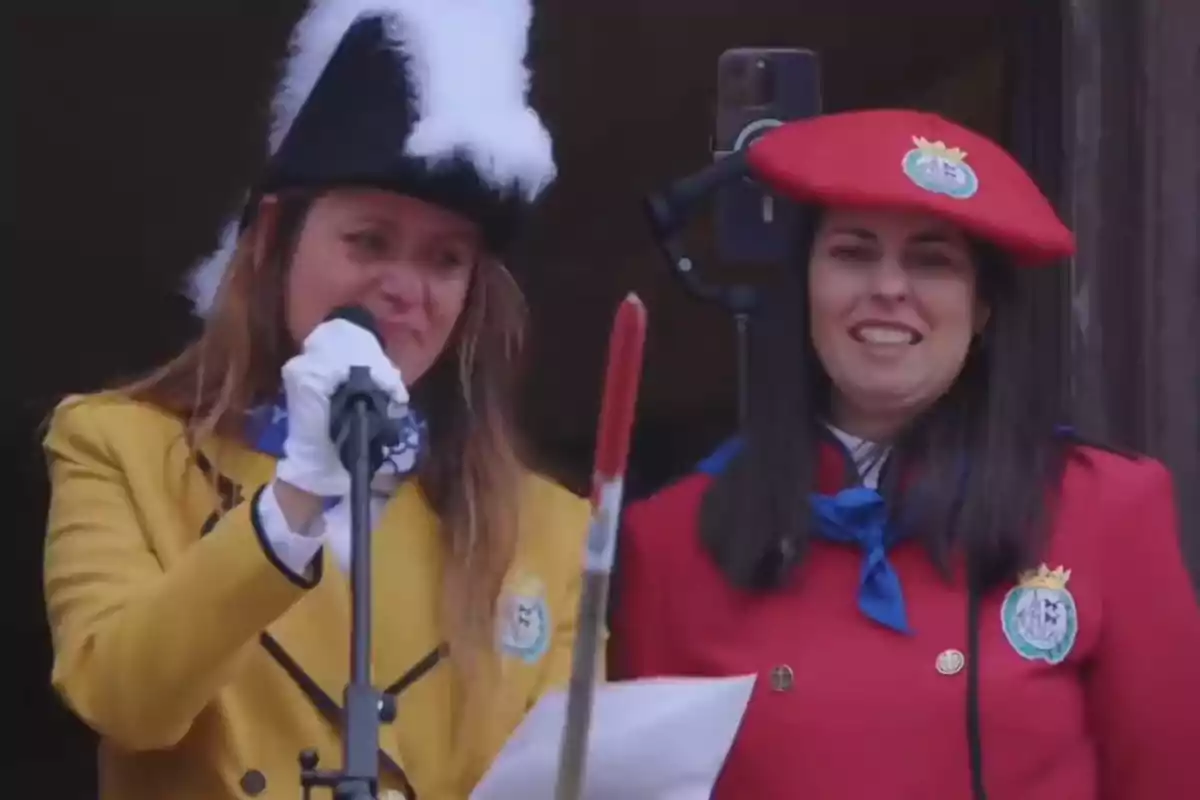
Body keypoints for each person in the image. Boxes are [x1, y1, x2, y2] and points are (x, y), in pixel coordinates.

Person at [42, 2, 593, 799]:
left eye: (445, 259)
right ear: (273, 239)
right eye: (368, 240)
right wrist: (294, 500)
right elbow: (124, 700)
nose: (404, 289)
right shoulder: (117, 446)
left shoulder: (553, 530)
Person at [610, 109, 1200, 799]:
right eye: (853, 252)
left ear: (982, 310)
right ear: (803, 288)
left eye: (931, 259)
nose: (889, 287)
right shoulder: (674, 540)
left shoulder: (1106, 510)